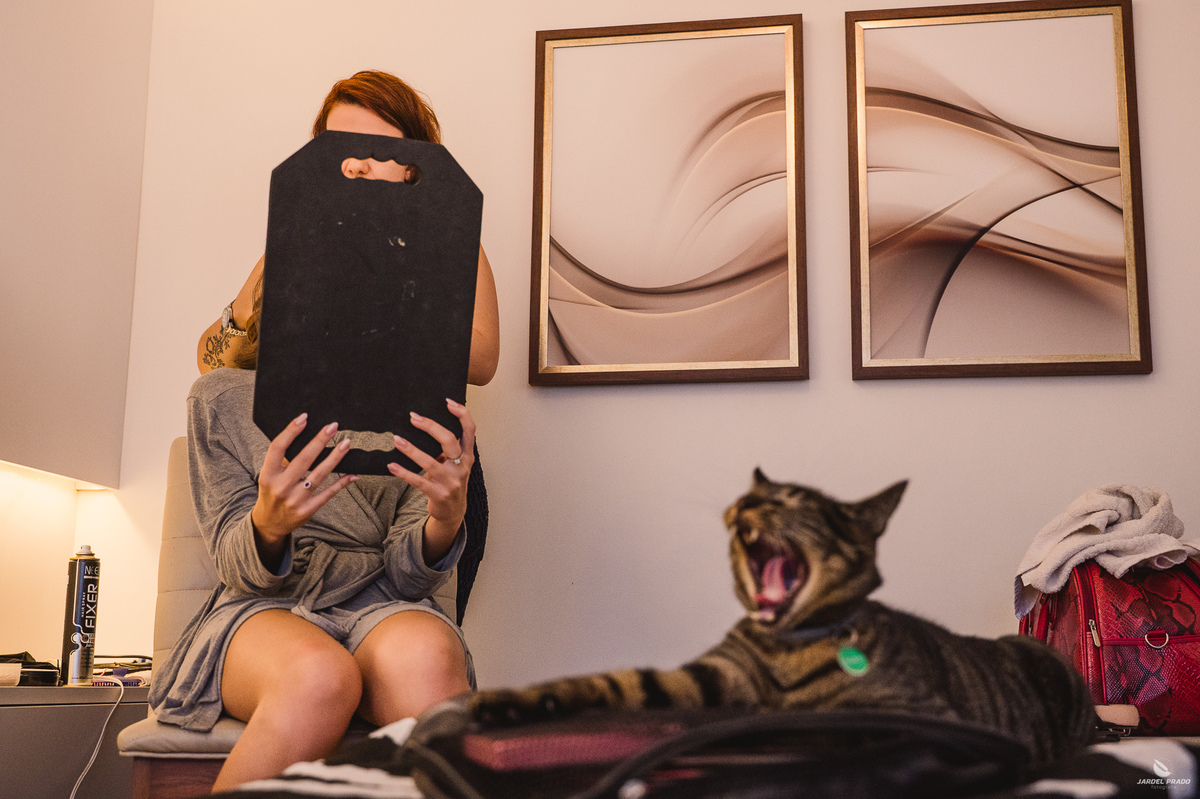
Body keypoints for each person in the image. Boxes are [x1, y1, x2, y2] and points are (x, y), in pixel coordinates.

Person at [151, 71, 496, 791]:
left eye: (380, 151)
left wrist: (445, 515)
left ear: (417, 163)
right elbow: (217, 358)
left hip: (388, 580)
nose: (360, 166)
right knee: (318, 677)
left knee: (428, 666)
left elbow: (481, 359)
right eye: (341, 151)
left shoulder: (446, 261)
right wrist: (270, 524)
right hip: (268, 600)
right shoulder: (226, 399)